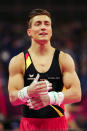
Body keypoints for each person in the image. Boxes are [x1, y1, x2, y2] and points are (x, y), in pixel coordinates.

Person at [8, 9, 81, 131]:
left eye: (47, 24)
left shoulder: (63, 59)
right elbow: (13, 98)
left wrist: (50, 98)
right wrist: (28, 92)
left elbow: (77, 94)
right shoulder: (18, 61)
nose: (43, 27)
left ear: (51, 31)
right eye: (38, 24)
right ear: (29, 32)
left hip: (57, 124)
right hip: (29, 125)